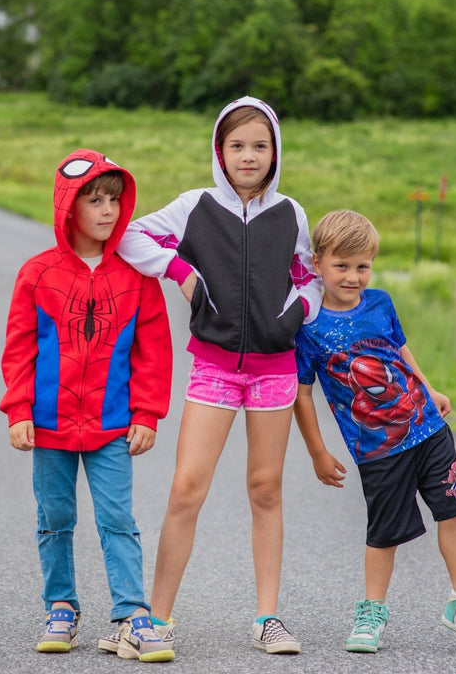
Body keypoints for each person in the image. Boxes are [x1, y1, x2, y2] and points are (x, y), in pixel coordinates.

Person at [116, 96, 322, 657]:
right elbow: (130, 235)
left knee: (266, 489)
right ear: (219, 151)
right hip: (213, 367)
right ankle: (156, 618)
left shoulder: (291, 213)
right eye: (237, 146)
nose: (248, 156)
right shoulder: (195, 206)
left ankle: (268, 619)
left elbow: (311, 276)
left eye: (260, 145)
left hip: (273, 371)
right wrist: (182, 272)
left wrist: (299, 311)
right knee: (186, 488)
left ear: (275, 151)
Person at [293, 209, 456, 656]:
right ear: (318, 264)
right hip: (378, 450)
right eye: (342, 266)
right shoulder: (308, 327)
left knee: (452, 513)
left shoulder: (381, 302)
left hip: (428, 429)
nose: (353, 277)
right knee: (384, 532)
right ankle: (371, 612)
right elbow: (302, 393)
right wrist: (317, 451)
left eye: (362, 266)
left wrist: (430, 388)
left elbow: (400, 349)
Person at [0, 149, 176, 663]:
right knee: (54, 517)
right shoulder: (37, 274)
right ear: (67, 207)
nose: (108, 211)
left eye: (115, 200)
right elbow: (19, 347)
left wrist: (146, 414)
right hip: (49, 424)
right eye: (94, 200)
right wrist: (19, 410)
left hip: (112, 426)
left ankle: (132, 615)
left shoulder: (137, 276)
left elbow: (154, 352)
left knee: (118, 518)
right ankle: (61, 605)